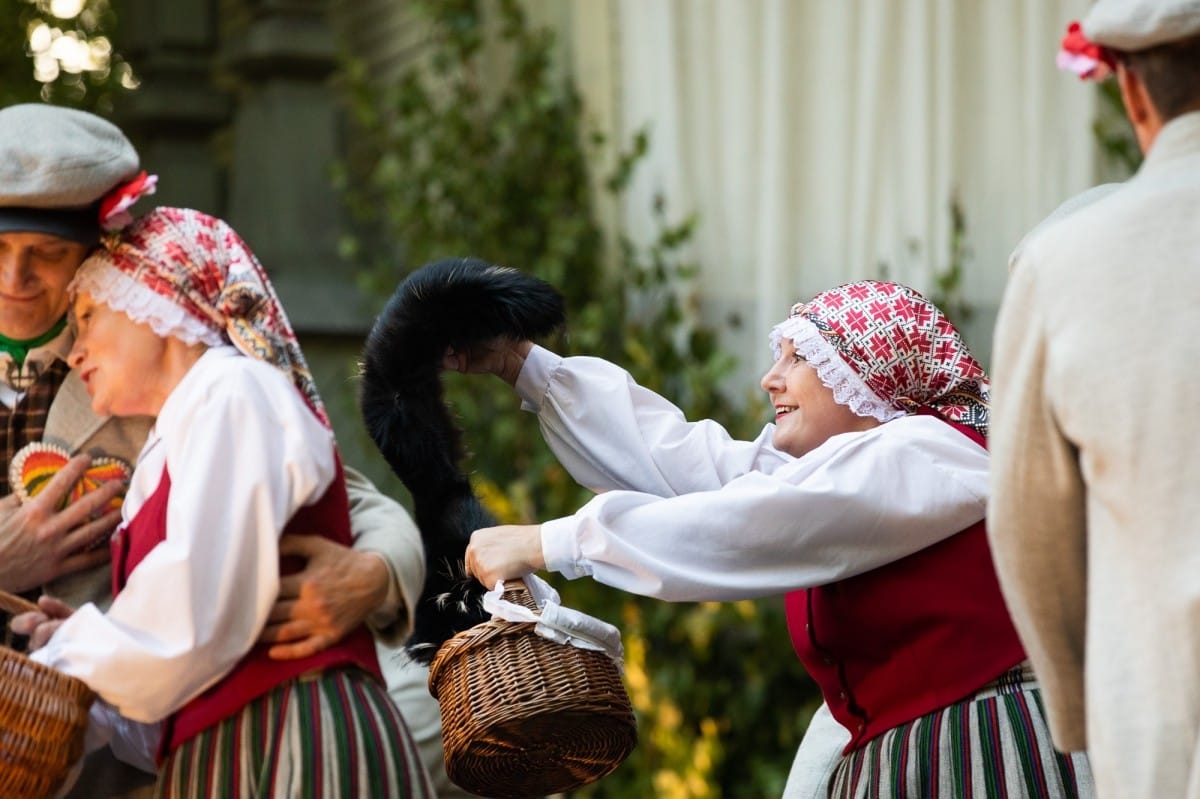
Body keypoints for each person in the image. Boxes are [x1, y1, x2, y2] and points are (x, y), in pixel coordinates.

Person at [448, 278, 1094, 796]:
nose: (771, 378)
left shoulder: (935, 452)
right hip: (903, 759)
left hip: (987, 757)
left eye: (798, 358)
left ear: (867, 376)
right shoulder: (844, 469)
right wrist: (522, 365)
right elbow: (687, 467)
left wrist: (550, 542)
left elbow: (750, 521)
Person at [0, 103, 431, 797]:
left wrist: (376, 575)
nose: (15, 278)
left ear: (97, 257)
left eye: (45, 253)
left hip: (128, 760)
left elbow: (341, 498)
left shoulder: (176, 382)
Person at [988, 2, 1200, 796]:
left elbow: (1029, 529)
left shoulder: (1063, 263)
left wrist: (1080, 711)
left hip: (1162, 720)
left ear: (1134, 93)